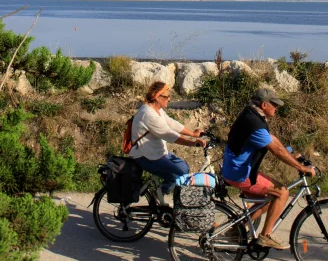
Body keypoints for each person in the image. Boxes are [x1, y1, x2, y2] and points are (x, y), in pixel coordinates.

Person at [221, 88, 315, 250]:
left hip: (236, 169)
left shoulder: (252, 116)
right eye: (274, 105)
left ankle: (238, 229)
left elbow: (273, 141)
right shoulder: (254, 123)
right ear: (264, 105)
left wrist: (293, 154)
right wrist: (301, 167)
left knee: (268, 197)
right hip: (240, 173)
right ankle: (266, 236)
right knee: (282, 192)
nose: (276, 108)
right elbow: (276, 150)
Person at [130, 81, 207, 203]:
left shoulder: (157, 110)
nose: (169, 99)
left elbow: (171, 123)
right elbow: (169, 135)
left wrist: (193, 134)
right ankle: (160, 194)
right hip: (145, 156)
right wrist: (192, 143)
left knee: (184, 168)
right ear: (156, 97)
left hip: (158, 152)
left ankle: (162, 192)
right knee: (179, 175)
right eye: (166, 97)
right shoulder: (148, 114)